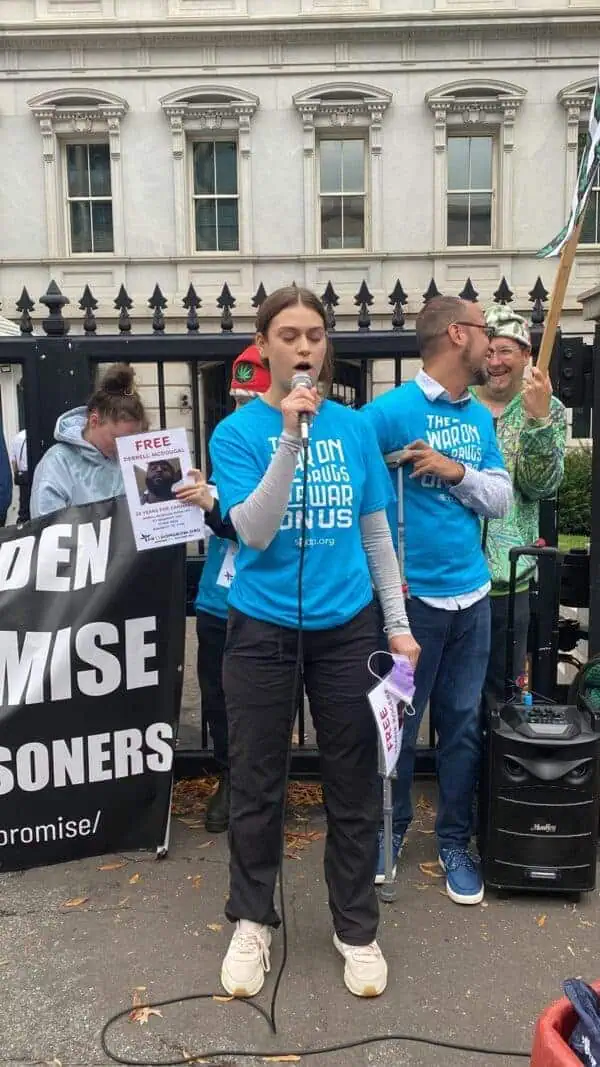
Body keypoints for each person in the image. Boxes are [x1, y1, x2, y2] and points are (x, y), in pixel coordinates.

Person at [208, 285, 420, 999]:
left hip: (347, 627)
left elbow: (376, 535)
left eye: (315, 335)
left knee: (352, 783)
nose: (304, 347)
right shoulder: (236, 433)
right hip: (262, 627)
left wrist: (398, 625)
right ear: (264, 345)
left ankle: (355, 927)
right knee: (256, 781)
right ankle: (252, 920)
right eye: (289, 335)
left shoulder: (355, 429)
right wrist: (291, 438)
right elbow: (254, 529)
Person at [361, 296, 512, 906]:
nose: (491, 344)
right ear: (457, 334)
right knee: (396, 723)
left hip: (472, 599)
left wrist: (455, 472)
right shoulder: (389, 412)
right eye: (484, 330)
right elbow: (356, 490)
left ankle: (453, 841)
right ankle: (391, 827)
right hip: (411, 607)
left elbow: (500, 499)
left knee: (463, 726)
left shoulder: (478, 418)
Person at [175, 344, 272, 834]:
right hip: (219, 597)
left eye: (249, 401)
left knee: (266, 698)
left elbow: (253, 524)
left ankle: (262, 782)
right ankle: (231, 776)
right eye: (235, 400)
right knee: (217, 695)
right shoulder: (229, 447)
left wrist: (213, 506)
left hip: (264, 598)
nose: (239, 411)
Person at [476, 304, 567, 708]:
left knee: (503, 697)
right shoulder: (459, 405)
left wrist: (538, 421)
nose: (495, 362)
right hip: (454, 577)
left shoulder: (550, 409)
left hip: (509, 581)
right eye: (487, 351)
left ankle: (497, 753)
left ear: (527, 354)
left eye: (505, 351)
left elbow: (541, 486)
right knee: (453, 696)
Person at [30, 364, 146, 518]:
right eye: (117, 439)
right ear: (94, 421)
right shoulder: (58, 462)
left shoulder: (135, 459)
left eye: (131, 440)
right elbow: (47, 524)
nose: (123, 448)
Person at [10, 428, 30, 523]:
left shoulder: (16, 438)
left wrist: (17, 474)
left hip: (23, 477)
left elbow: (13, 461)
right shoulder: (37, 435)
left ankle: (22, 526)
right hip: (34, 475)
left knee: (23, 509)